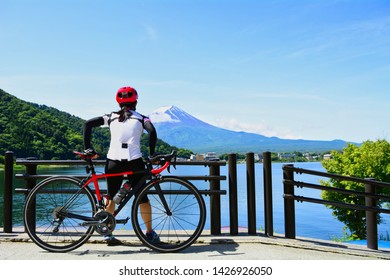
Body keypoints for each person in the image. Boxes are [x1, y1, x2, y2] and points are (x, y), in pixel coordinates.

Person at [83, 86, 159, 245]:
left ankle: (107, 232)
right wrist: (152, 155)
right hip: (134, 163)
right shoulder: (141, 118)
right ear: (136, 102)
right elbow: (152, 132)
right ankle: (150, 233)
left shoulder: (110, 117)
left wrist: (88, 148)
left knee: (110, 197)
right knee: (142, 198)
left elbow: (88, 124)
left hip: (113, 162)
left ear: (118, 103)